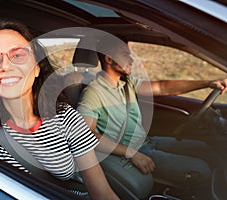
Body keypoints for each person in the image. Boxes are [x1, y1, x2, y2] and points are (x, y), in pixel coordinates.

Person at [0, 18, 119, 200]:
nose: (5, 66)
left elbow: (101, 193)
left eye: (18, 55)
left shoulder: (66, 117)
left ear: (37, 66)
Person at [77, 38, 227, 199]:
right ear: (108, 59)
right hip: (131, 152)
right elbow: (85, 135)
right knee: (202, 169)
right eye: (125, 54)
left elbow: (163, 86)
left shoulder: (126, 83)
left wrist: (207, 83)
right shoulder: (93, 93)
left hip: (148, 142)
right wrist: (131, 153)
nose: (131, 59)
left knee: (206, 149)